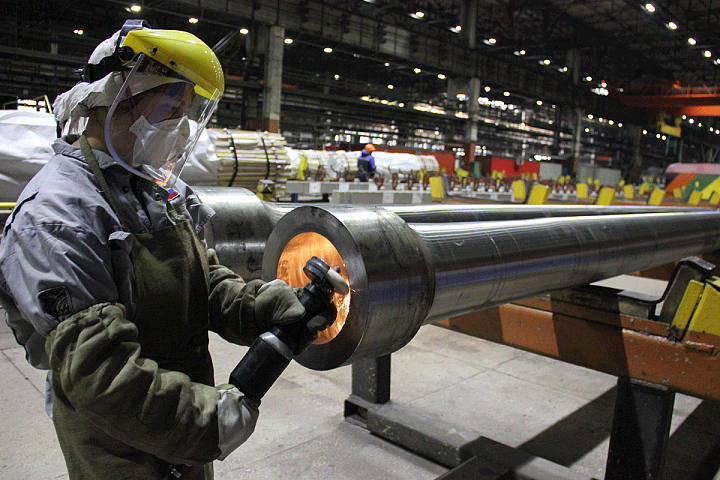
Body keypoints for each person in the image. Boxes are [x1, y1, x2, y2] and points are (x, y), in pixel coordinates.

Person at [0, 21, 331, 480]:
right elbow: (98, 371)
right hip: (121, 445)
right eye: (172, 108)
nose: (181, 126)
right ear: (118, 97)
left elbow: (203, 284)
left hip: (178, 428)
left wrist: (266, 305)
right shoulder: (57, 214)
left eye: (187, 111)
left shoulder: (157, 189)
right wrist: (203, 423)